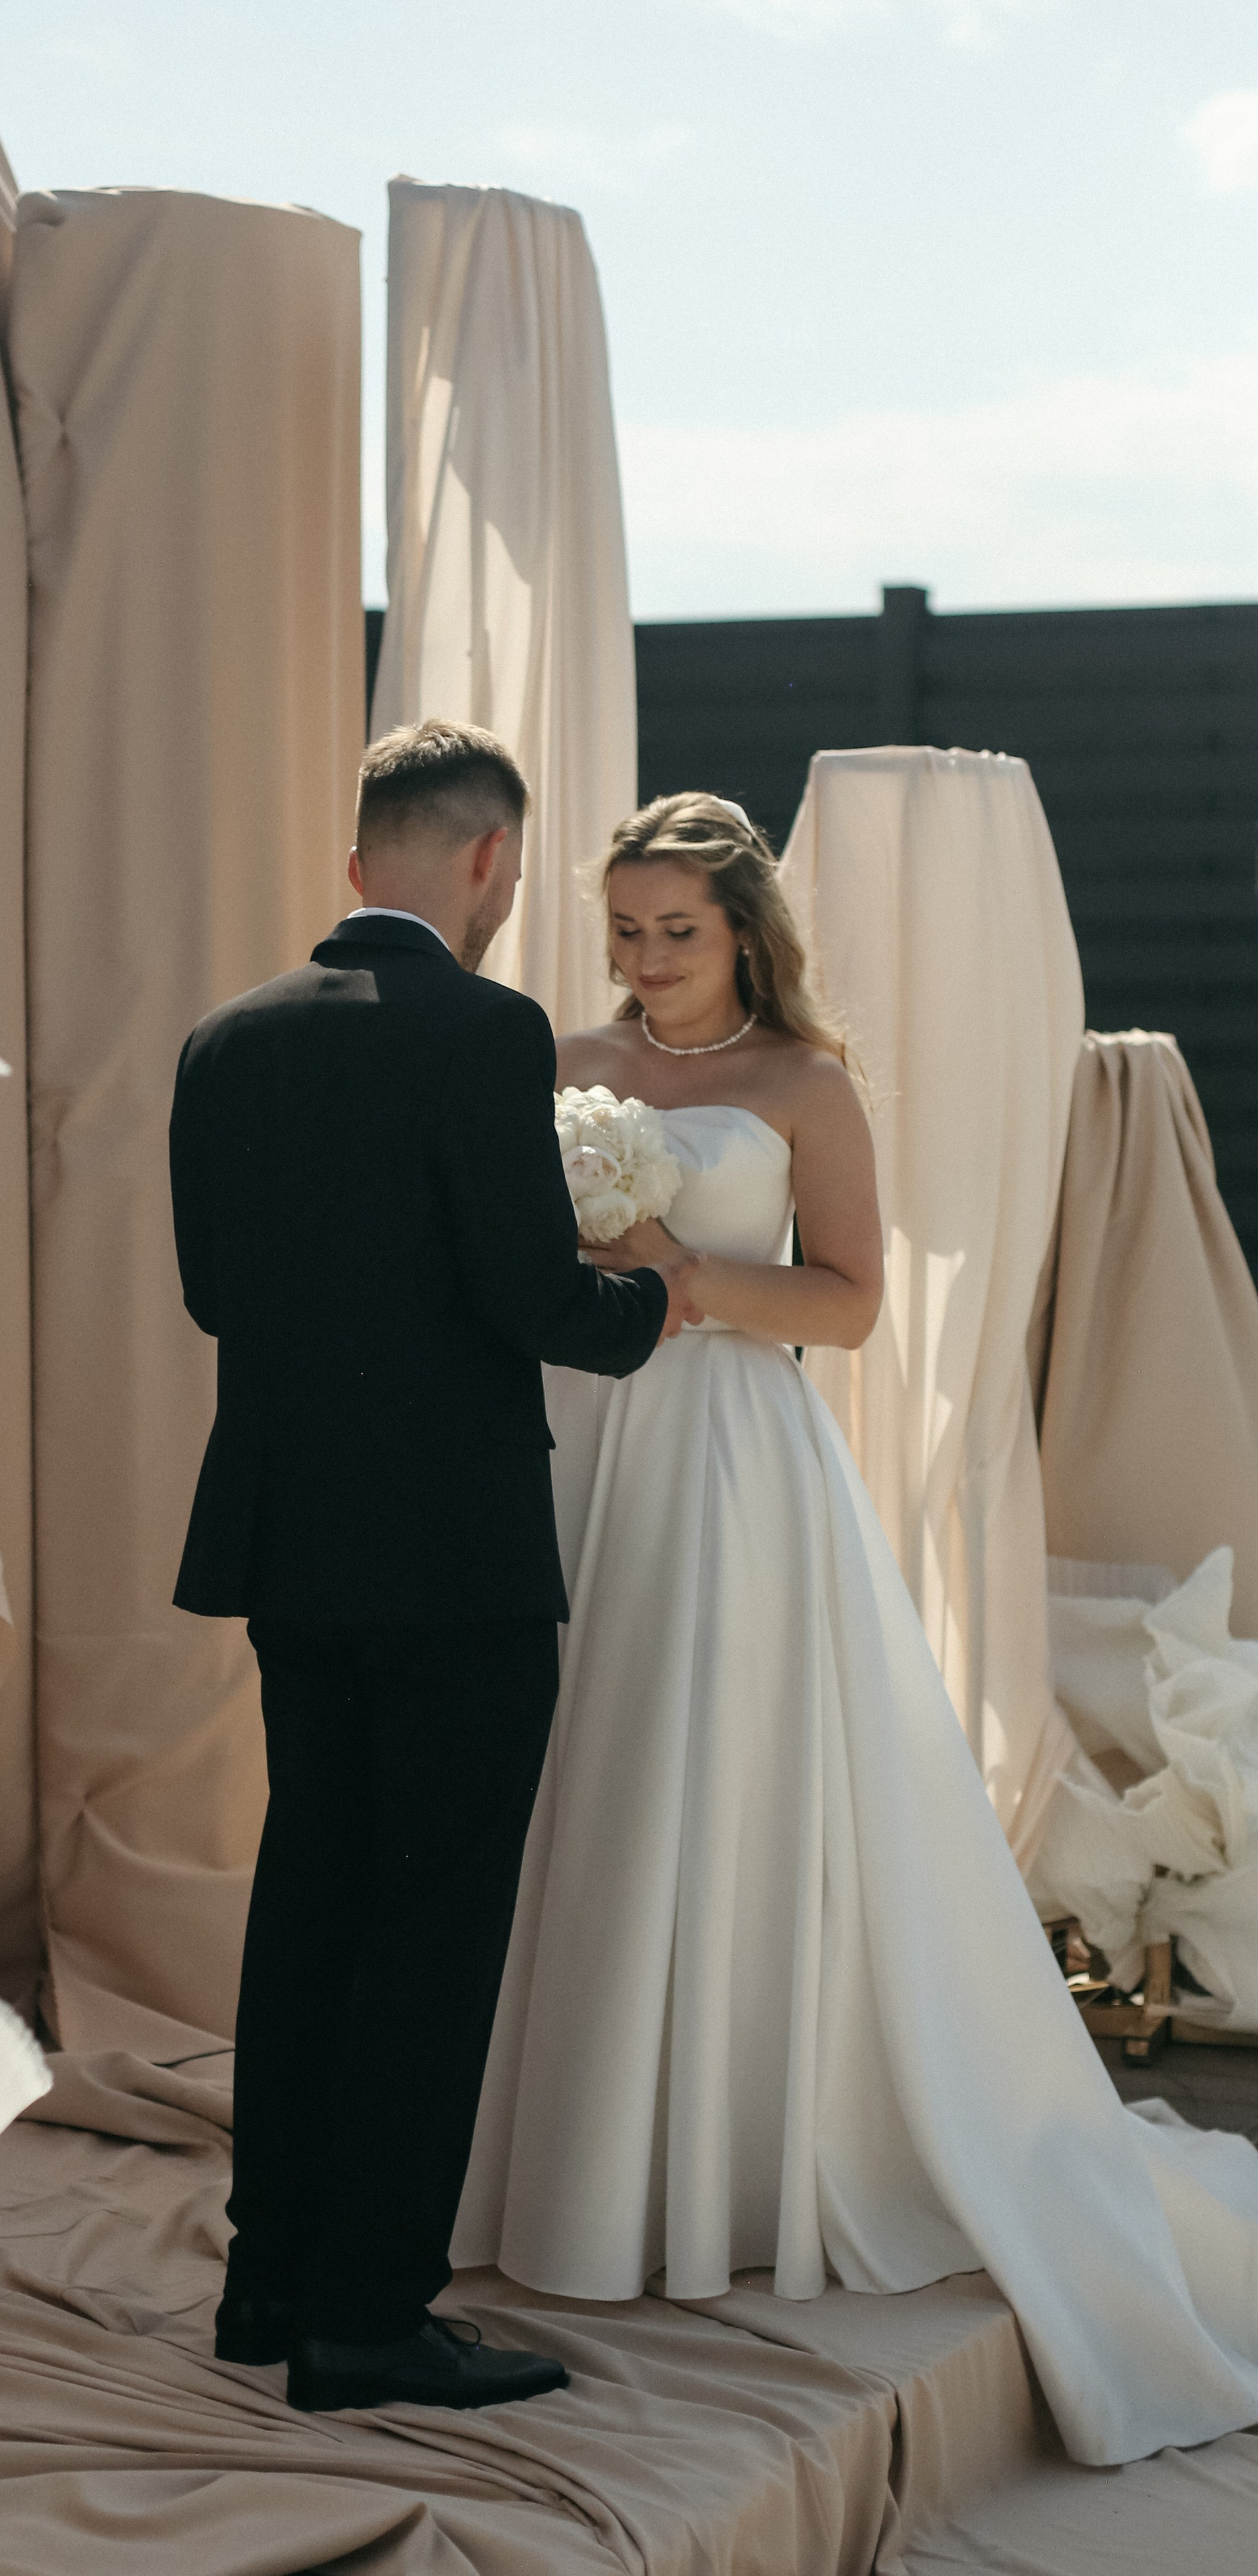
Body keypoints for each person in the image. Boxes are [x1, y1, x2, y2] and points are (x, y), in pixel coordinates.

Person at [452, 790, 1258, 2469]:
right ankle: (552, 2147)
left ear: (743, 929)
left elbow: (848, 1302)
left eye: (673, 929)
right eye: (620, 927)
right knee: (560, 1772)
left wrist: (676, 1275)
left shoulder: (803, 1084)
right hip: (567, 1441)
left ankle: (723, 2154)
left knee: (707, 1771)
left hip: (727, 1457)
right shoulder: (551, 1057)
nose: (642, 959)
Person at [168, 719, 701, 2416]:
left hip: (285, 1541)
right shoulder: (488, 1034)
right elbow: (537, 1303)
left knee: (311, 1896)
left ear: (355, 866)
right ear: (486, 860)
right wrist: (655, 1298)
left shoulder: (219, 1043)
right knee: (428, 1928)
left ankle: (265, 2285)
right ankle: (367, 2316)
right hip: (455, 1554)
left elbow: (214, 1296)